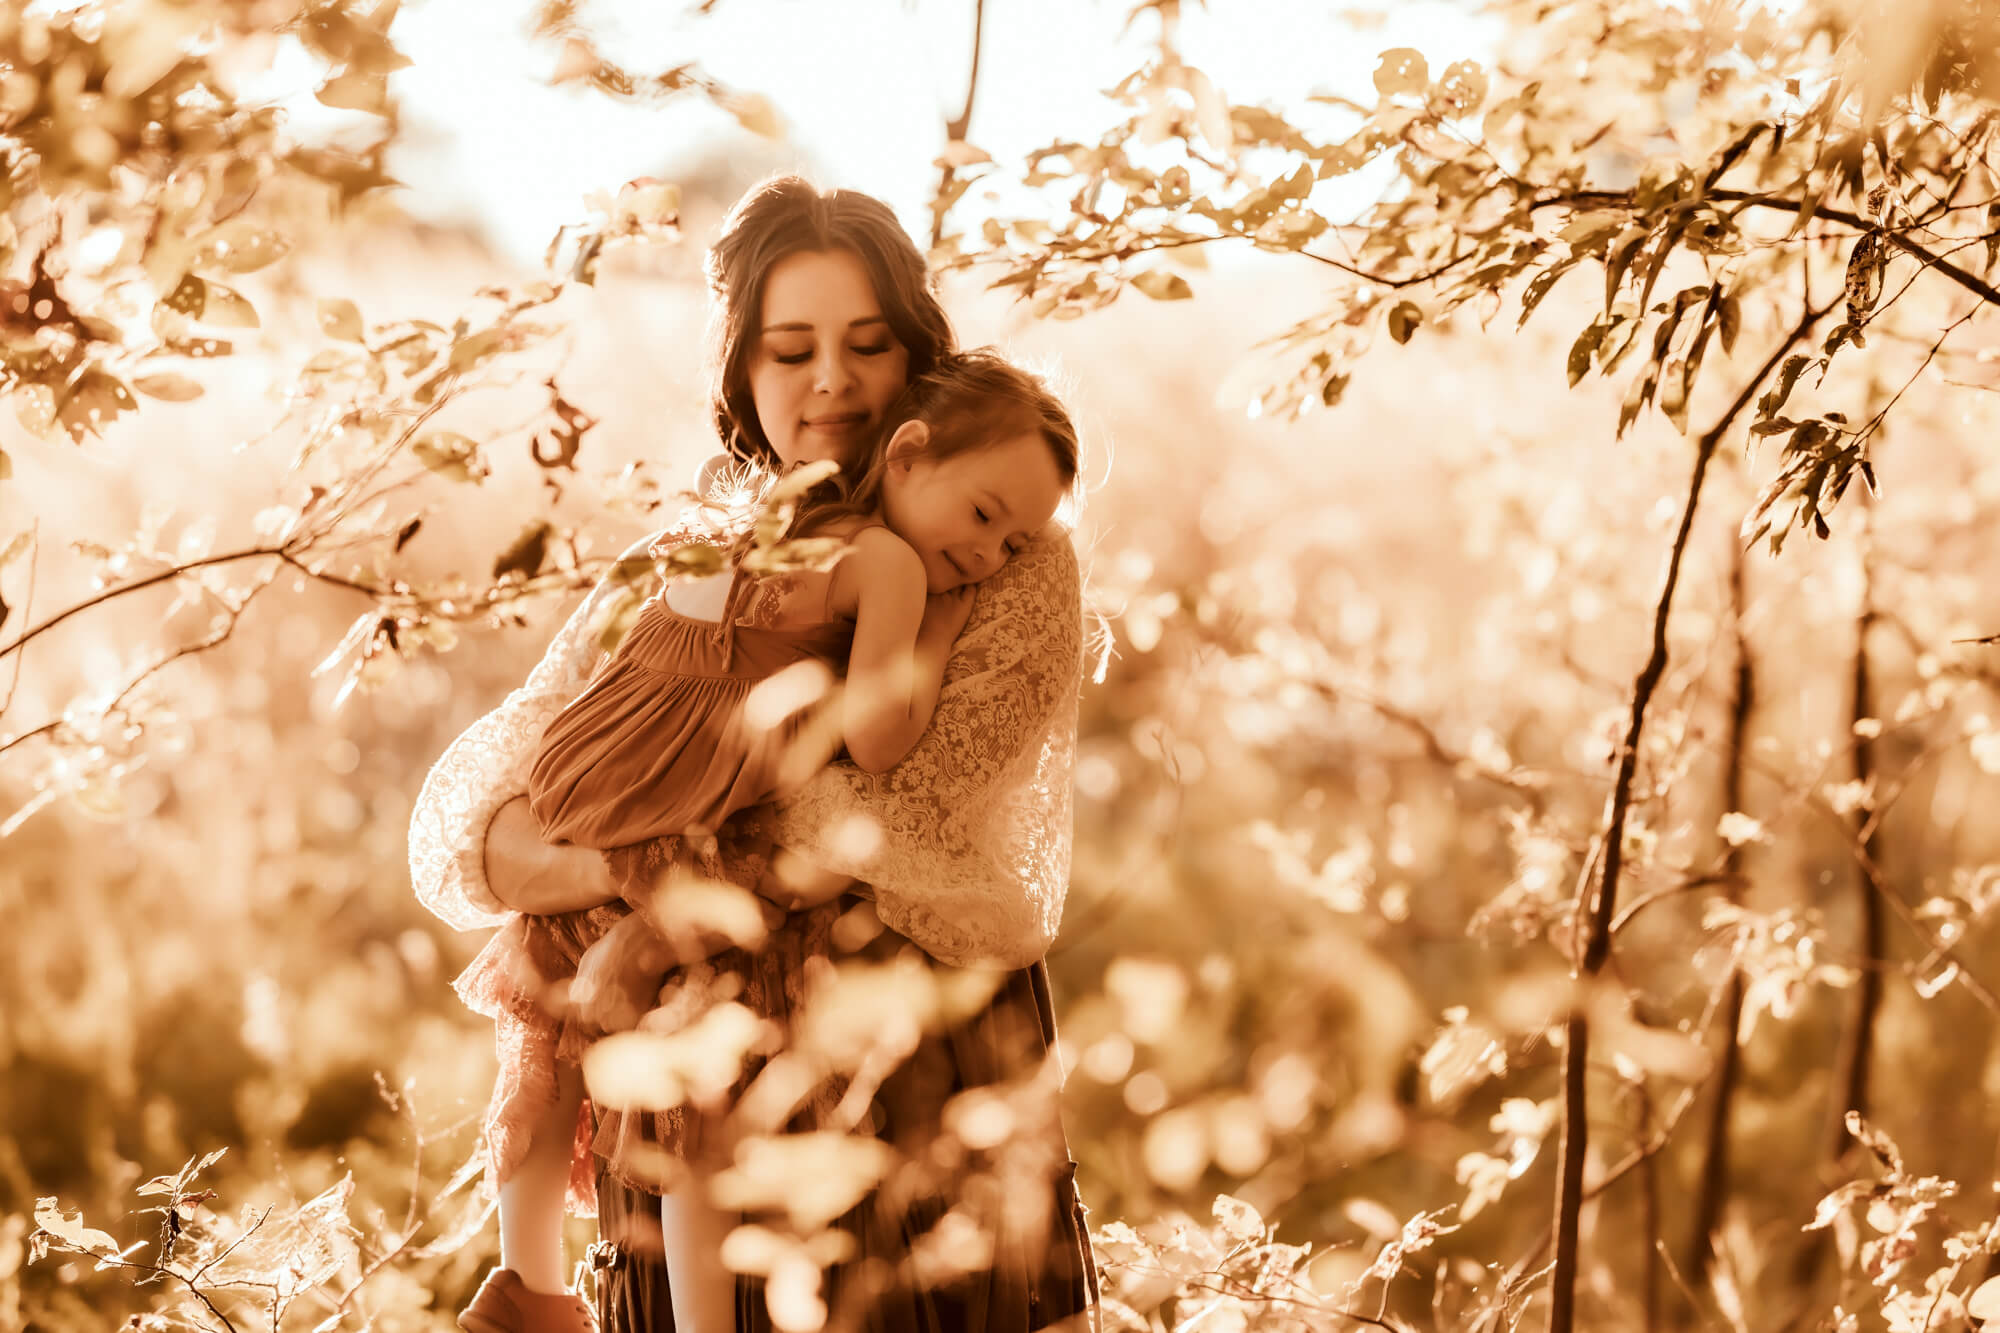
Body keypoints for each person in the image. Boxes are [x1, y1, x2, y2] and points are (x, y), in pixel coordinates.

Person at [409, 176, 1098, 1332]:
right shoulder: (704, 547)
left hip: (907, 1061)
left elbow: (884, 815)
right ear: (742, 373)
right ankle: (528, 1292)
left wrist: (637, 858)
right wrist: (607, 875)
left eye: (866, 344)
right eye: (789, 351)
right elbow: (507, 786)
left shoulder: (1002, 556)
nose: (829, 379)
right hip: (683, 1051)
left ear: (915, 360)